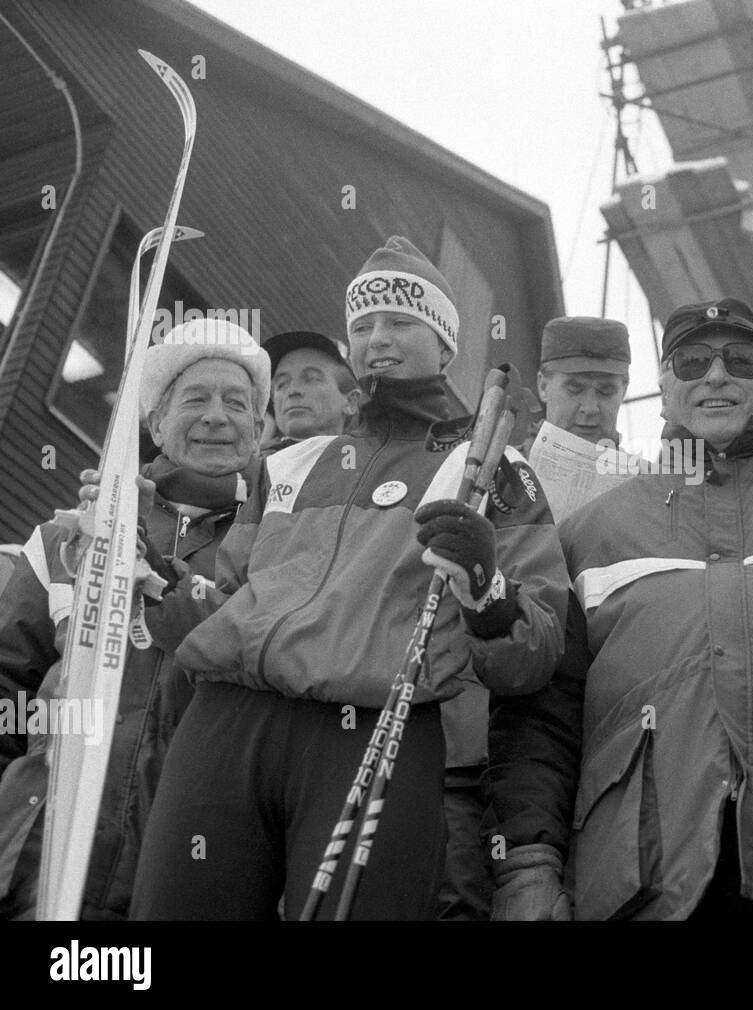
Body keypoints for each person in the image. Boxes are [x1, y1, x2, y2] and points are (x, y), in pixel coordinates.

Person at [125, 236, 567, 920]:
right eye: (362, 326)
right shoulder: (290, 463)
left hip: (372, 730)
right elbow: (224, 607)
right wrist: (156, 575)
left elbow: (537, 654)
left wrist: (486, 593)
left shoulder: (492, 472)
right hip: (230, 723)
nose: (377, 339)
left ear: (445, 343)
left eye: (399, 322)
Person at [484, 296, 753, 920]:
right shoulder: (589, 533)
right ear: (662, 391)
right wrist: (526, 867)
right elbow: (542, 720)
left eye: (741, 358)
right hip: (648, 886)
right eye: (691, 361)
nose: (716, 375)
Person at [0, 319, 267, 919]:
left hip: (185, 863)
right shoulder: (68, 538)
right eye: (194, 399)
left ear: (259, 432)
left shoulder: (275, 552)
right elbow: (5, 685)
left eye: (237, 404)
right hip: (38, 850)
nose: (216, 417)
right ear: (154, 425)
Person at [438, 315, 631, 921]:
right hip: (475, 741)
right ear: (544, 384)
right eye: (575, 388)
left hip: (594, 736)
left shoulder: (649, 487)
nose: (591, 407)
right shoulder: (488, 472)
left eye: (608, 389)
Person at [262, 329, 361, 449]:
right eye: (281, 384)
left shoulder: (374, 463)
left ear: (350, 401)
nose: (293, 391)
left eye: (311, 379)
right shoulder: (249, 466)